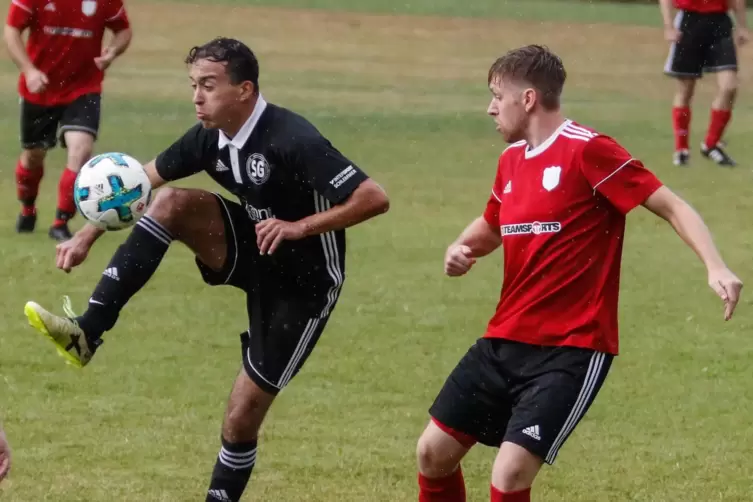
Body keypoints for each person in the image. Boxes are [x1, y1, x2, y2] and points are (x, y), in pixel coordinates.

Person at [23, 37, 389, 502]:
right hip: (258, 248)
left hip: (305, 284)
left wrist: (300, 227)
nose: (197, 96)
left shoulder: (293, 138)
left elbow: (374, 197)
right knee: (171, 202)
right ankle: (88, 332)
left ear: (245, 90)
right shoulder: (209, 137)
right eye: (193, 85)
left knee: (240, 418)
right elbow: (142, 181)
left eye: (209, 86)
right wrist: (86, 233)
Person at [415, 45, 742, 502]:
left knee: (509, 475)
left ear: (527, 99)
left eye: (497, 95)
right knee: (433, 452)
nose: (490, 107)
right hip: (505, 339)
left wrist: (716, 265)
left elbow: (670, 204)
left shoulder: (588, 150)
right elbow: (492, 225)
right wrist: (460, 247)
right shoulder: (511, 161)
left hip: (570, 349)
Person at [4, 0, 132, 241]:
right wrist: (29, 70)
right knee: (34, 155)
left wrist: (112, 52)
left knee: (80, 151)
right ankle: (27, 208)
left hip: (84, 88)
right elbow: (11, 30)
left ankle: (60, 222)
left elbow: (123, 30)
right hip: (39, 88)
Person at [660, 0, 749, 167]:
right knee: (686, 90)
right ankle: (681, 149)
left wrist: (742, 25)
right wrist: (669, 25)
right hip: (689, 22)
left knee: (729, 86)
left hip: (720, 24)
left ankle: (711, 144)